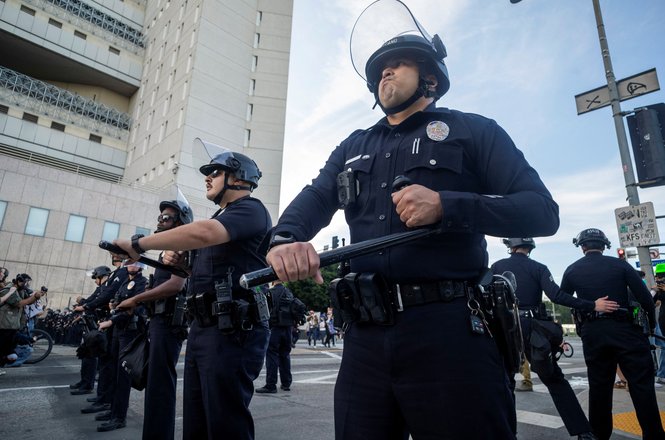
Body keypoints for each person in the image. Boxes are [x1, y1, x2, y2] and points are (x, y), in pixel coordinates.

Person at [262, 3, 559, 438]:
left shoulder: (473, 130)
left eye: (398, 63)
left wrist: (448, 204)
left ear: (431, 77)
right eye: (380, 67)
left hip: (450, 331)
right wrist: (285, 237)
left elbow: (541, 210)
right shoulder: (353, 145)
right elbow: (316, 196)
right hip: (364, 335)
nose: (385, 72)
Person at [111, 139, 272, 440]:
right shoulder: (219, 218)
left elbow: (202, 233)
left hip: (233, 329)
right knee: (197, 422)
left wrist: (138, 244)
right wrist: (183, 263)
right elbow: (202, 270)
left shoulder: (250, 209)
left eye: (215, 171)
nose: (207, 177)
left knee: (225, 423)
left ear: (238, 178)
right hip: (204, 327)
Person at [492, 237, 609, 439]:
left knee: (505, 382)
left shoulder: (497, 266)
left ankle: (507, 433)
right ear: (530, 247)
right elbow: (557, 296)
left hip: (504, 327)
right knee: (555, 380)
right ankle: (583, 432)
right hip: (533, 329)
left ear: (510, 246)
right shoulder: (539, 268)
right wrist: (592, 305)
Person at [560, 228, 665, 440]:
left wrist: (588, 305)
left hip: (593, 332)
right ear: (604, 245)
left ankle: (599, 435)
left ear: (582, 247)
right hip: (627, 330)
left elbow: (563, 297)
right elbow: (644, 298)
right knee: (641, 386)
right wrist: (651, 326)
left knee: (599, 387)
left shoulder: (572, 269)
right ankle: (653, 435)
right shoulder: (620, 265)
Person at [115, 193, 193, 440]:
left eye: (167, 217)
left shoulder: (180, 247)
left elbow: (176, 285)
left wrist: (136, 299)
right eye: (160, 216)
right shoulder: (165, 250)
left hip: (170, 323)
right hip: (158, 321)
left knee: (160, 384)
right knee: (156, 383)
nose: (160, 221)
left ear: (180, 222)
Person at [77, 260, 128, 413]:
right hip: (103, 322)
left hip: (111, 324)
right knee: (103, 362)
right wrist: (85, 304)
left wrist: (86, 305)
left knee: (107, 363)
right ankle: (102, 397)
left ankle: (104, 399)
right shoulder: (108, 283)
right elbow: (95, 298)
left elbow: (105, 297)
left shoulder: (117, 279)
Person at [256, 281, 305, 393]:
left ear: (273, 281)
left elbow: (261, 301)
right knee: (285, 355)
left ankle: (271, 384)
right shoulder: (289, 292)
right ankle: (286, 383)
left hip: (275, 328)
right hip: (288, 328)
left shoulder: (270, 292)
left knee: (272, 355)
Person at [0, 274, 42, 367]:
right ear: (19, 281)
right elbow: (19, 303)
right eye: (26, 282)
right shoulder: (8, 290)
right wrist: (34, 296)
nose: (27, 285)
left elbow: (29, 301)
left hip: (11, 326)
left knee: (12, 356)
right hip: (3, 326)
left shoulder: (21, 291)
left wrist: (38, 295)